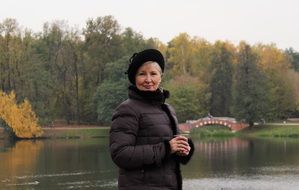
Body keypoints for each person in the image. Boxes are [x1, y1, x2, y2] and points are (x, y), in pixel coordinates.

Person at [109, 49, 194, 190]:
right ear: (134, 78)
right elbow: (120, 154)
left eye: (153, 73)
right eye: (142, 74)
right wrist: (167, 148)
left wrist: (183, 149)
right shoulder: (127, 109)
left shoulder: (168, 109)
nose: (148, 80)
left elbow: (172, 147)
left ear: (160, 77)